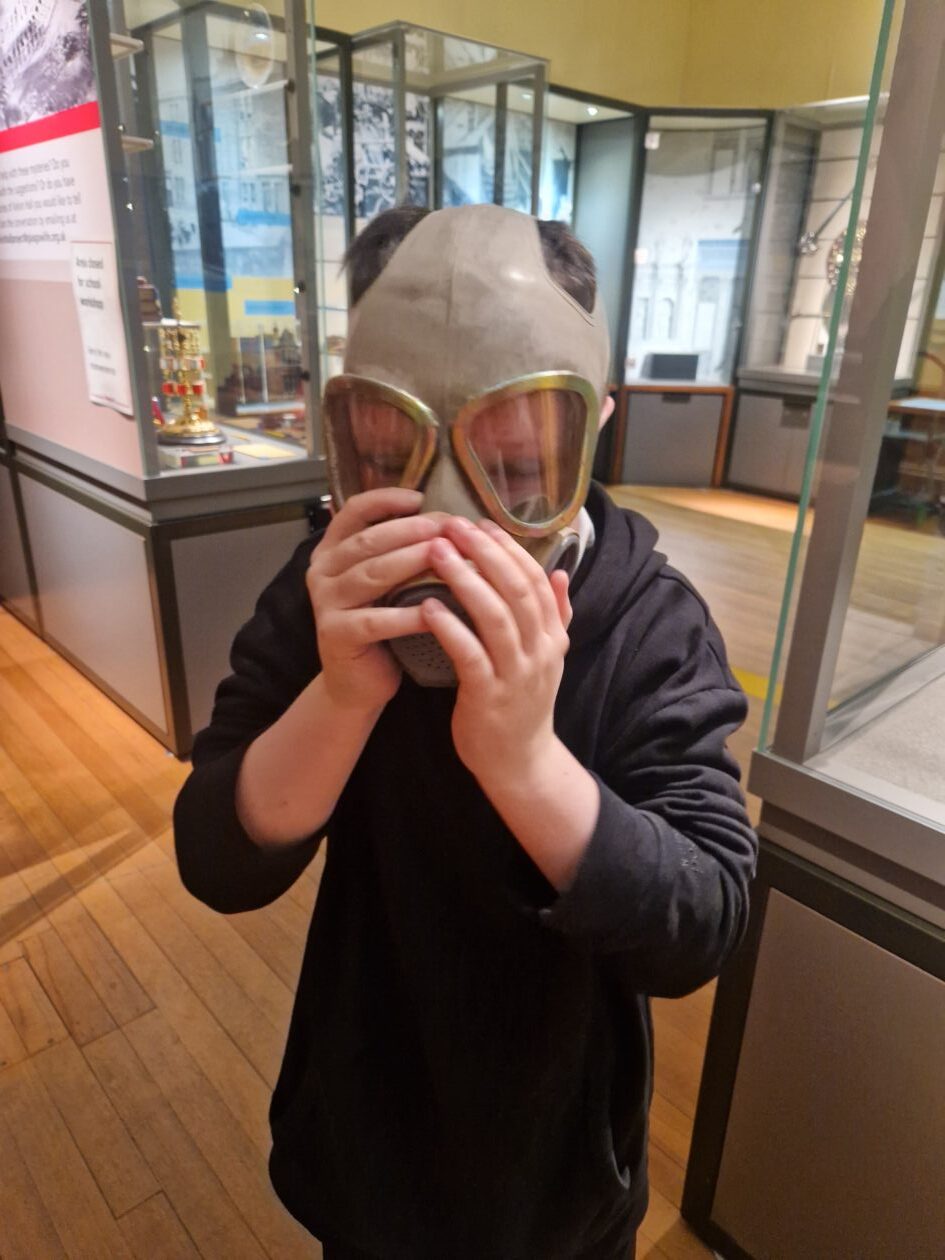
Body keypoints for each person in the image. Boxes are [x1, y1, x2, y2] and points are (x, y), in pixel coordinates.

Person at [174, 203, 757, 1260]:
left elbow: (700, 923)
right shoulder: (326, 593)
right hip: (364, 1132)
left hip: (559, 1173)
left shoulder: (646, 622)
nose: (448, 525)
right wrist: (340, 697)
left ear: (594, 427)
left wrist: (525, 762)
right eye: (387, 457)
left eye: (517, 469)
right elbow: (216, 855)